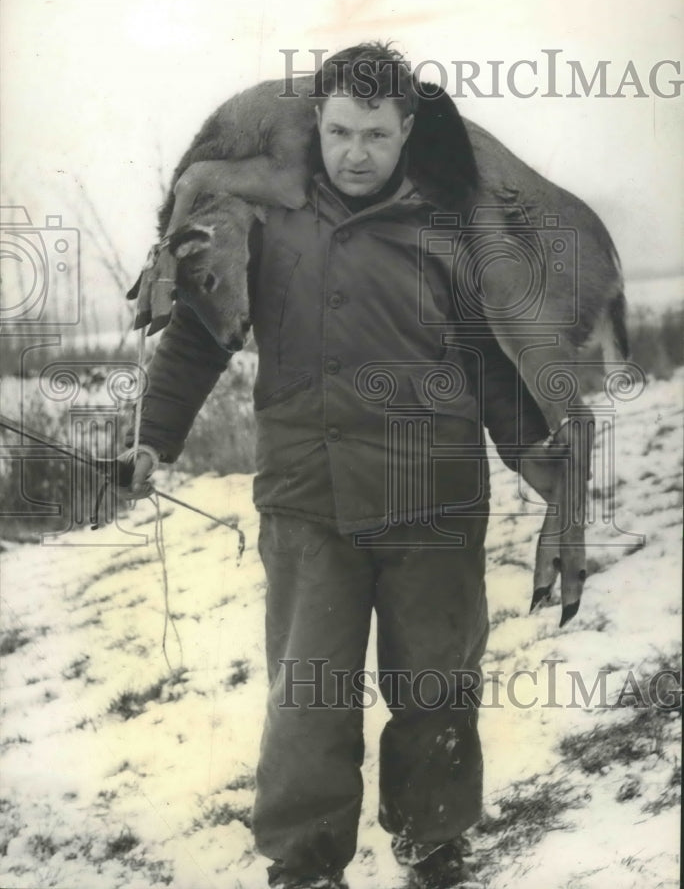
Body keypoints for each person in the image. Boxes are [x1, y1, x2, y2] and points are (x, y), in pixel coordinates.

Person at [128, 43, 557, 889]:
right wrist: (156, 436)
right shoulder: (268, 222)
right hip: (308, 497)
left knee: (435, 683)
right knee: (307, 693)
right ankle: (303, 857)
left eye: (375, 135)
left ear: (406, 134)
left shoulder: (449, 227)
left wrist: (544, 463)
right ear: (312, 126)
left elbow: (493, 363)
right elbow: (200, 332)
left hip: (432, 499)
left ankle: (434, 839)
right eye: (338, 132)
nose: (354, 153)